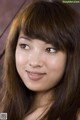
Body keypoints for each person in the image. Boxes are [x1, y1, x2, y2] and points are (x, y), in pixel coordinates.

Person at [0, 0, 80, 120]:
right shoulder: (6, 110)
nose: (34, 62)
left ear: (71, 56)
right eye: (25, 46)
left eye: (50, 49)